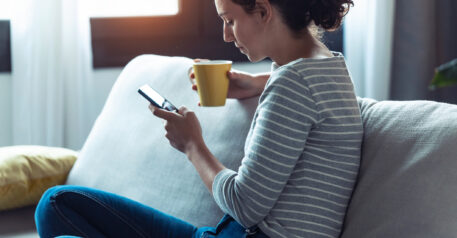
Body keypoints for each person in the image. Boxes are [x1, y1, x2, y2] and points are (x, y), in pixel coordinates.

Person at [35, 0, 362, 237]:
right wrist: (256, 82)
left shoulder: (291, 86)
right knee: (56, 202)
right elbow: (304, 92)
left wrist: (192, 144)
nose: (226, 35)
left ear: (263, 11)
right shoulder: (332, 67)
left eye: (229, 19)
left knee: (59, 218)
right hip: (222, 233)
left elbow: (244, 206)